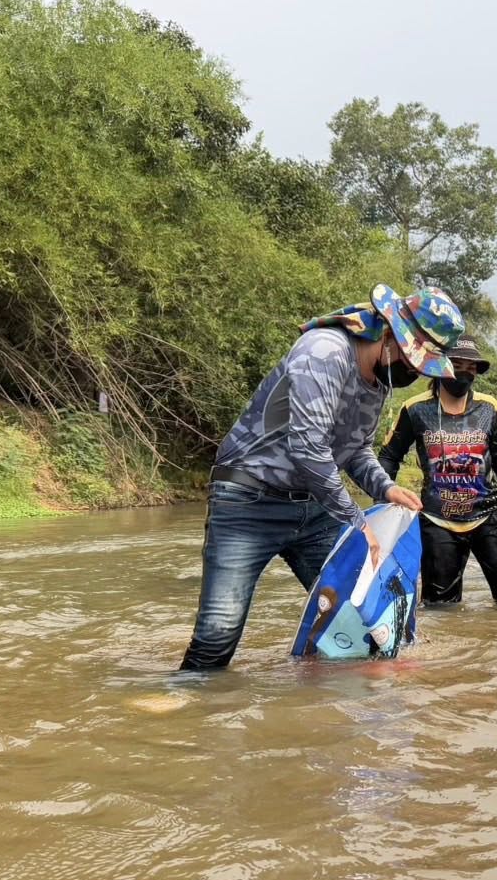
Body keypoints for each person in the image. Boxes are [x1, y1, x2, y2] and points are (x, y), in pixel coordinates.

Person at [179, 283, 463, 670]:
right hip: (248, 501)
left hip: (313, 506)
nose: (414, 371)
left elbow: (355, 448)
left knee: (357, 617)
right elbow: (308, 448)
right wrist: (355, 520)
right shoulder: (324, 351)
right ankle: (187, 697)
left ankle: (326, 700)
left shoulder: (379, 381)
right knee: (218, 633)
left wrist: (387, 488)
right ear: (389, 335)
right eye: (414, 361)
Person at [379, 333, 497, 604]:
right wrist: (383, 501)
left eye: (470, 368)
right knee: (440, 609)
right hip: (437, 522)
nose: (464, 373)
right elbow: (389, 457)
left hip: (488, 517)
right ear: (440, 366)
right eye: (457, 365)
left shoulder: (489, 408)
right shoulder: (415, 410)